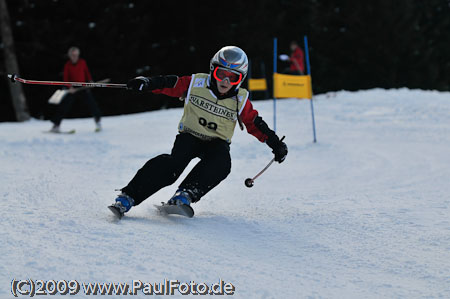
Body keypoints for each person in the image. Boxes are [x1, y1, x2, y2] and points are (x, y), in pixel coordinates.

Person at [109, 46, 288, 218]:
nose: (225, 82)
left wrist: (275, 143)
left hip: (216, 143)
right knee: (173, 165)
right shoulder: (196, 83)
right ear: (213, 70)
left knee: (221, 163)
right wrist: (147, 83)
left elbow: (254, 123)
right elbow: (170, 84)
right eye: (221, 74)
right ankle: (128, 197)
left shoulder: (240, 99)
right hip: (189, 136)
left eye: (232, 78)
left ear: (240, 79)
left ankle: (186, 193)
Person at [50, 47, 102, 132]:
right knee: (64, 106)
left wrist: (90, 81)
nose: (74, 57)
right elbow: (65, 79)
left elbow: (87, 73)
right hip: (72, 88)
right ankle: (56, 125)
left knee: (92, 104)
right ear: (70, 56)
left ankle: (98, 122)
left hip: (83, 87)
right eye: (72, 55)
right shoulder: (67, 65)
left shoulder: (82, 62)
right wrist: (70, 88)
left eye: (76, 55)